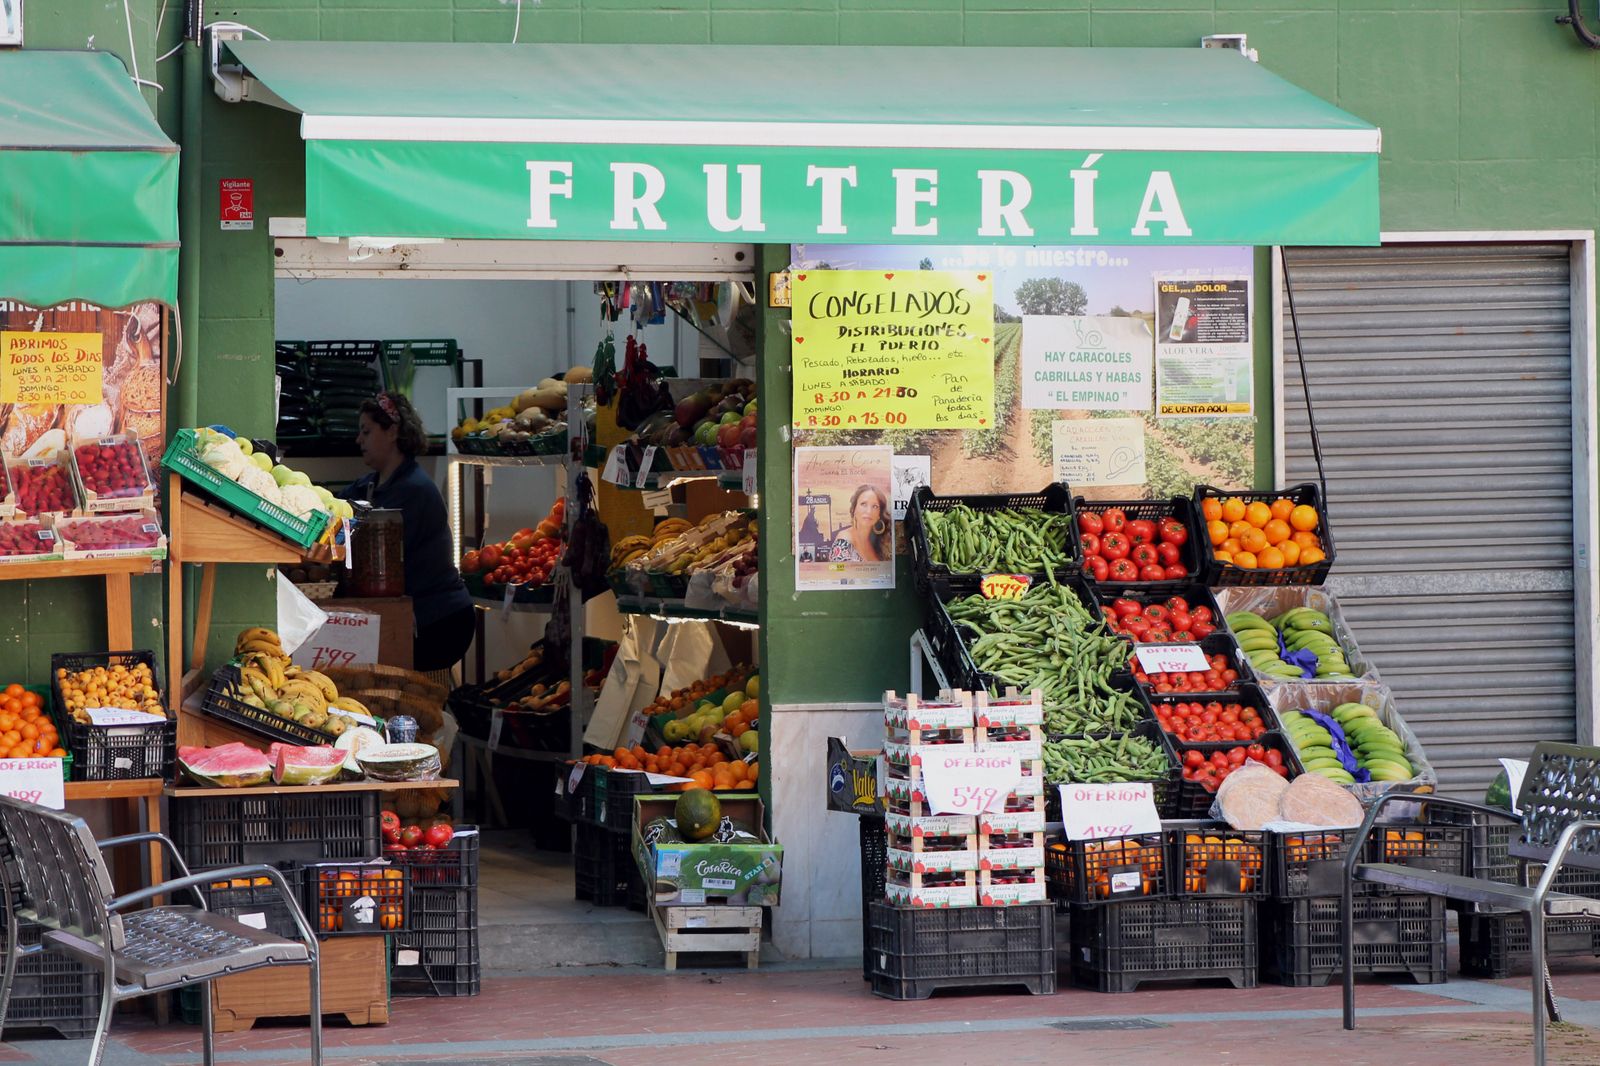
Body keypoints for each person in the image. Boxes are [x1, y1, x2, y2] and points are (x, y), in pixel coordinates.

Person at [340, 393, 474, 673]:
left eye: (366, 431)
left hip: (439, 622)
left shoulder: (415, 490)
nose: (359, 440)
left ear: (392, 432)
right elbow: (337, 505)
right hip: (413, 617)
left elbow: (382, 563)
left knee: (412, 700)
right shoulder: (371, 486)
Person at [828, 484, 891, 563]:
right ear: (854, 509)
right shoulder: (844, 541)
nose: (869, 511)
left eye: (875, 506)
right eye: (863, 504)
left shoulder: (879, 542)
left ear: (879, 515)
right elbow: (837, 573)